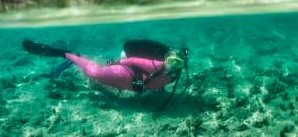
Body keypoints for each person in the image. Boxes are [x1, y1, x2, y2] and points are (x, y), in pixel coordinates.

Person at [22, 39, 189, 96]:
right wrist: (115, 63)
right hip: (126, 75)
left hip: (132, 85)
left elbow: (157, 82)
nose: (172, 67)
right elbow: (134, 61)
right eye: (172, 62)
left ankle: (74, 57)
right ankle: (68, 55)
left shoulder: (176, 74)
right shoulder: (157, 65)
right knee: (93, 72)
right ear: (167, 59)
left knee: (96, 77)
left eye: (178, 64)